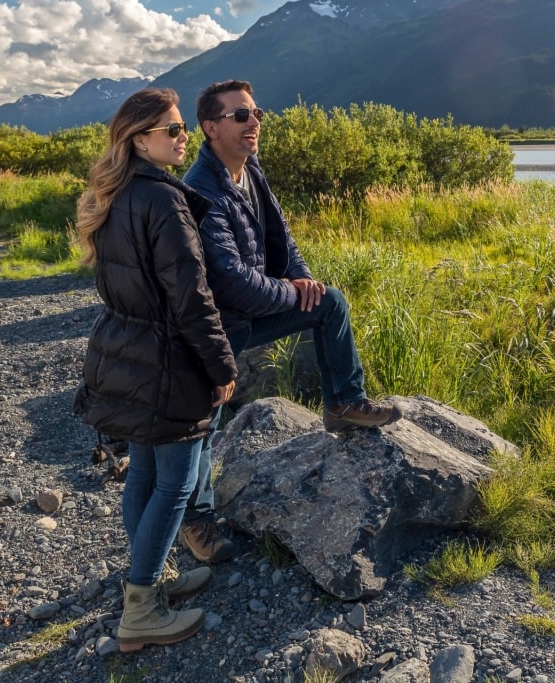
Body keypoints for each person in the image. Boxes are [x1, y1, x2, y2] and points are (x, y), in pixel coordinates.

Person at [178, 79, 403, 563]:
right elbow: (231, 282)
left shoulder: (249, 171)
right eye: (241, 116)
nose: (254, 123)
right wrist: (289, 291)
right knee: (203, 423)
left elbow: (284, 241)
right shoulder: (200, 189)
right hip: (214, 328)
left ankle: (343, 403)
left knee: (330, 303)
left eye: (257, 114)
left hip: (250, 312)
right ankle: (195, 522)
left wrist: (305, 283)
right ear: (210, 127)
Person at [73, 88, 237, 652]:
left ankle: (150, 578)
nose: (182, 136)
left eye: (181, 128)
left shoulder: (116, 194)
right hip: (168, 361)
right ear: (140, 139)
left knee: (144, 471)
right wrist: (220, 365)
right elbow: (192, 297)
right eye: (172, 130)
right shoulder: (164, 201)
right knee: (176, 483)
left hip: (126, 351)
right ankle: (140, 606)